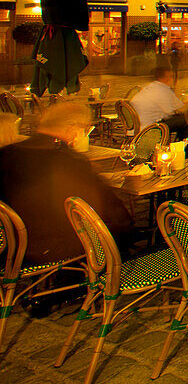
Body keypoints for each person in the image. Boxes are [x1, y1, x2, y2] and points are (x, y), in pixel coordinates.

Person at [0, 103, 134, 268]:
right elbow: (106, 210)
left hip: (9, 245)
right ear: (73, 129)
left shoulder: (6, 154)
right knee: (119, 234)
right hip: (49, 249)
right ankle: (104, 283)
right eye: (85, 129)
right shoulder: (69, 162)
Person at [130, 66, 187, 131]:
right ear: (164, 78)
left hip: (137, 126)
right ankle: (187, 141)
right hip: (151, 127)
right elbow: (181, 109)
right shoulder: (163, 90)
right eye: (171, 77)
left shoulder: (150, 87)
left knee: (181, 120)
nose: (173, 79)